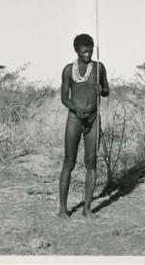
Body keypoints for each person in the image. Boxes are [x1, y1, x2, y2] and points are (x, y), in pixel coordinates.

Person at [58, 34, 109, 219]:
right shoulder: (67, 70)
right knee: (69, 162)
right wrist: (76, 109)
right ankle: (63, 209)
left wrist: (101, 90)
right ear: (76, 51)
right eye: (84, 51)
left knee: (91, 162)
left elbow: (106, 91)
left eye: (90, 50)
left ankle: (87, 208)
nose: (88, 54)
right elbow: (64, 97)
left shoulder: (99, 68)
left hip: (93, 119)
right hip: (74, 119)